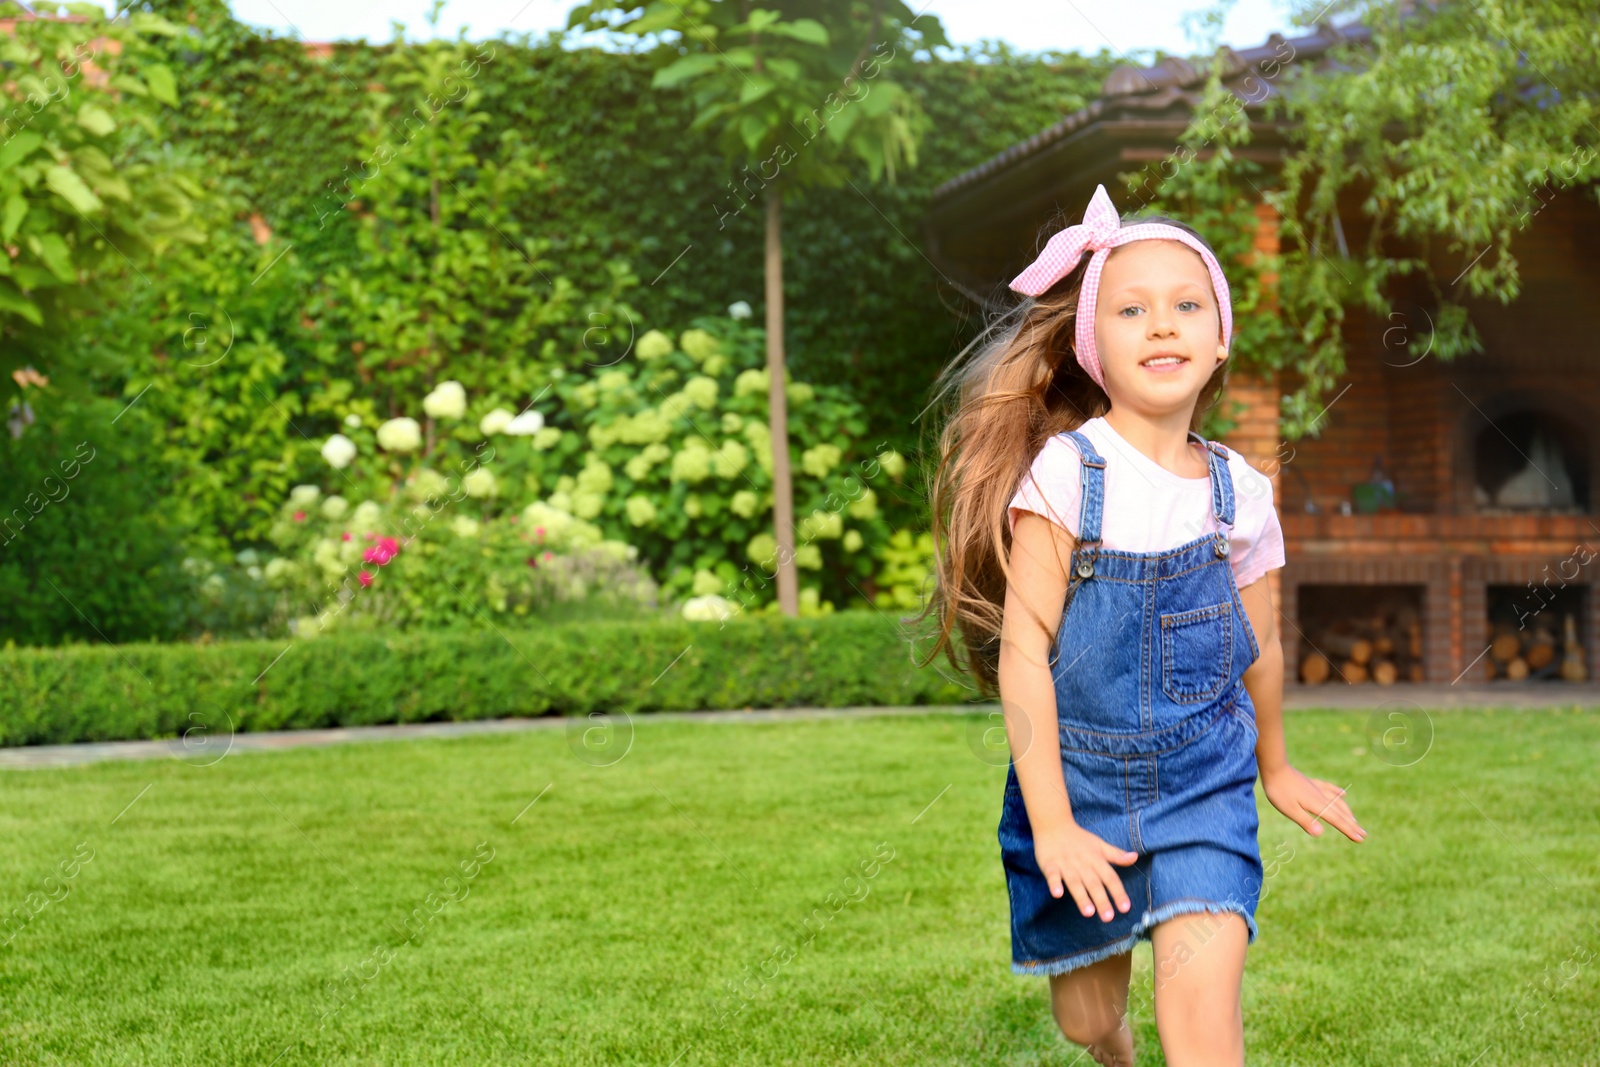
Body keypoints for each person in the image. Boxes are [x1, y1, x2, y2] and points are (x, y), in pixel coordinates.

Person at [920, 184, 1366, 1065]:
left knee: (1201, 1022)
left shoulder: (1242, 493)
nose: (1162, 325)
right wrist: (1050, 821)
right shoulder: (1066, 473)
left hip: (1206, 781)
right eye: (1132, 309)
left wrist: (1274, 765)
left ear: (1220, 336)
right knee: (1088, 1017)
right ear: (1093, 347)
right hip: (1078, 786)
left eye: (1186, 304)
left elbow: (1262, 645)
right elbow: (1024, 657)